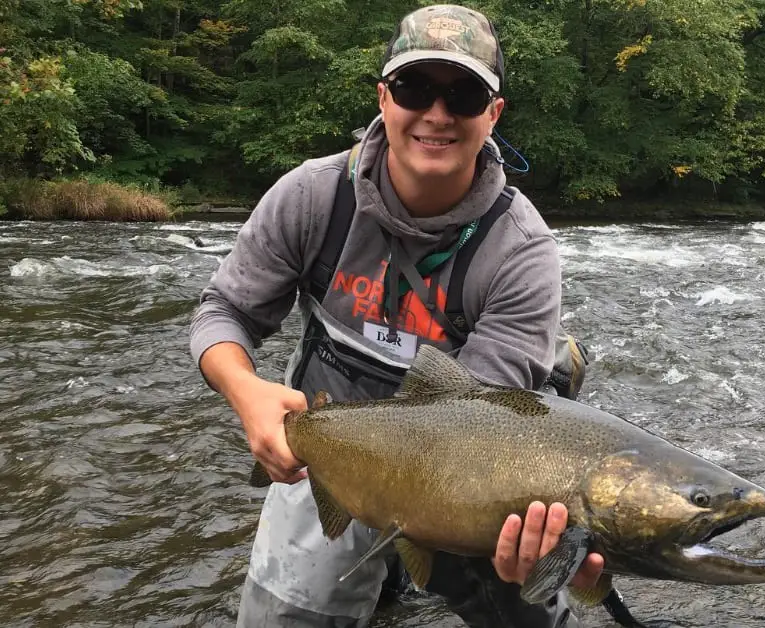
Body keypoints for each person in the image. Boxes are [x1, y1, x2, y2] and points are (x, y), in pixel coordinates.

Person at [189, 4, 602, 627]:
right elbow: (222, 313)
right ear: (384, 98)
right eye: (415, 88)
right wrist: (247, 392)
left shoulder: (521, 251)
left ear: (493, 115)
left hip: (473, 475)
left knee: (530, 605)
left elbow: (475, 441)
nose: (437, 114)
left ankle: (400, 572)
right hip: (334, 452)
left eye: (463, 94)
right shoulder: (313, 196)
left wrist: (539, 549)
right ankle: (382, 581)